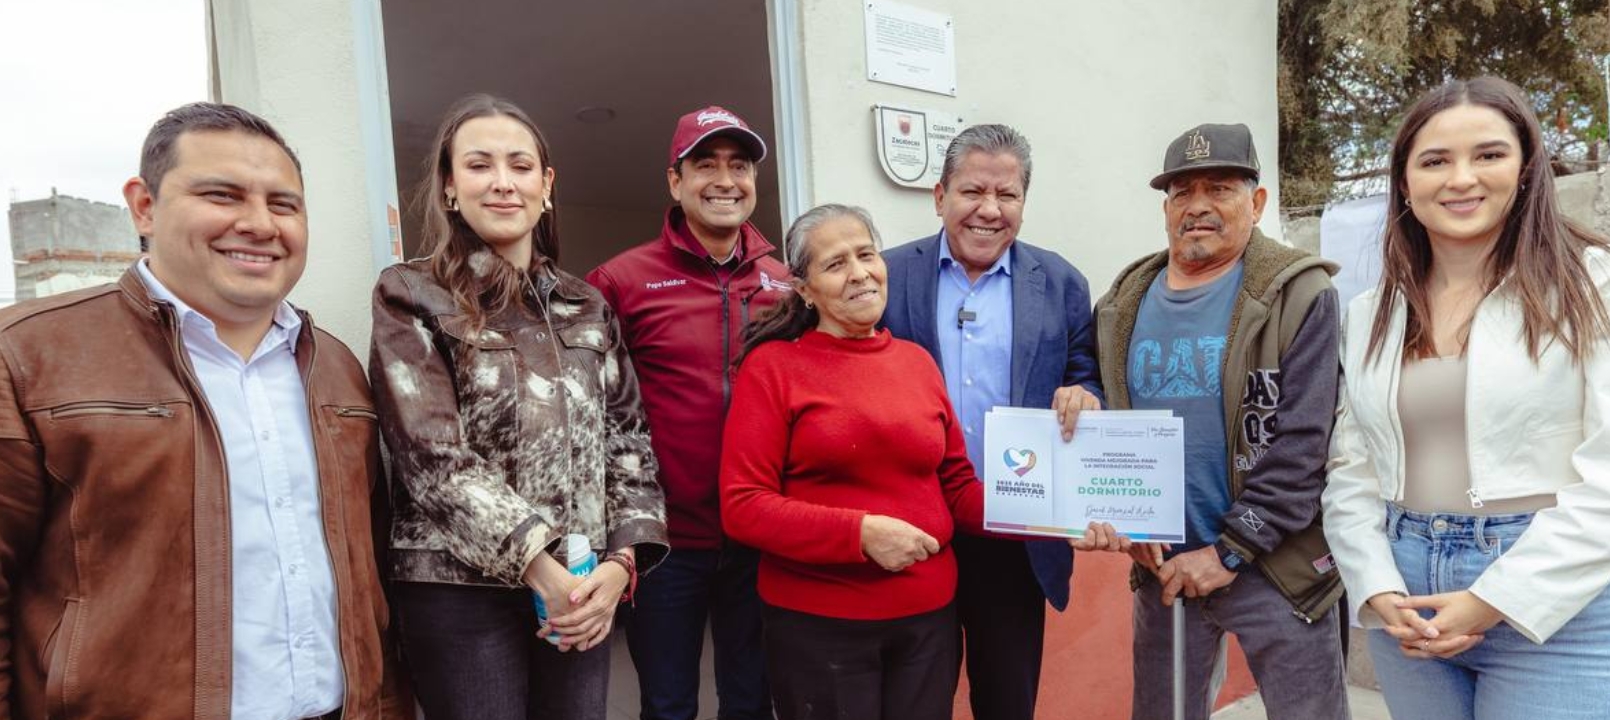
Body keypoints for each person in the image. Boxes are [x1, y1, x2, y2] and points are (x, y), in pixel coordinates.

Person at [0, 102, 410, 719]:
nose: (259, 224)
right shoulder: (29, 354)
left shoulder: (336, 366)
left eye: (283, 204)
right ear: (144, 205)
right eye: (222, 194)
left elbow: (370, 577)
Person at [369, 94, 668, 720]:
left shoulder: (587, 306)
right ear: (450, 188)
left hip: (583, 582)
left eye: (520, 165)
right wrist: (540, 565)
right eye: (479, 166)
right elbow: (431, 457)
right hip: (459, 593)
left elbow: (630, 442)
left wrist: (619, 566)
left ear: (546, 185)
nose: (503, 182)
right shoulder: (410, 293)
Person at [1323, 76, 1610, 719]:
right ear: (1404, 182)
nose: (1461, 179)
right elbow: (1351, 467)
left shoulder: (1594, 286)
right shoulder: (1372, 312)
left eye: (1488, 154)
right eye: (1435, 161)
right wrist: (1374, 588)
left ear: (1527, 166)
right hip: (1407, 601)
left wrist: (1493, 599)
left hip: (1554, 600)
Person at [1085, 123, 1348, 720]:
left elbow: (1304, 444)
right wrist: (1108, 512)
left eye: (1220, 188)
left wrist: (1228, 553)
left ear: (1256, 202)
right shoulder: (1123, 300)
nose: (1198, 205)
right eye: (1183, 192)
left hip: (1273, 564)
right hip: (1162, 569)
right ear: (1166, 208)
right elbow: (1094, 397)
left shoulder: (1299, 294)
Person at [720, 204, 990, 720]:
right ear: (803, 289)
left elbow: (956, 486)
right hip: (820, 629)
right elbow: (743, 505)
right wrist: (860, 534)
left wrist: (1050, 514)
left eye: (866, 254)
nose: (860, 273)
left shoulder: (916, 363)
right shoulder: (773, 369)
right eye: (835, 263)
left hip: (928, 622)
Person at [880, 122, 1101, 720]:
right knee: (913, 702)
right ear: (939, 196)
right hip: (916, 528)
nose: (989, 210)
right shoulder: (887, 275)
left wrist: (1084, 392)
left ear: (1024, 202)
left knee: (1007, 700)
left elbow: (1085, 368)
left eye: (1007, 195)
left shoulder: (1059, 282)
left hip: (1014, 529)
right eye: (973, 191)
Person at [585, 105, 787, 720]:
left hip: (760, 536)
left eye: (739, 165)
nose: (726, 179)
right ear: (675, 181)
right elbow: (591, 411)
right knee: (668, 704)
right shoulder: (620, 281)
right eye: (706, 164)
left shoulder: (785, 283)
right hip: (664, 543)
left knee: (752, 700)